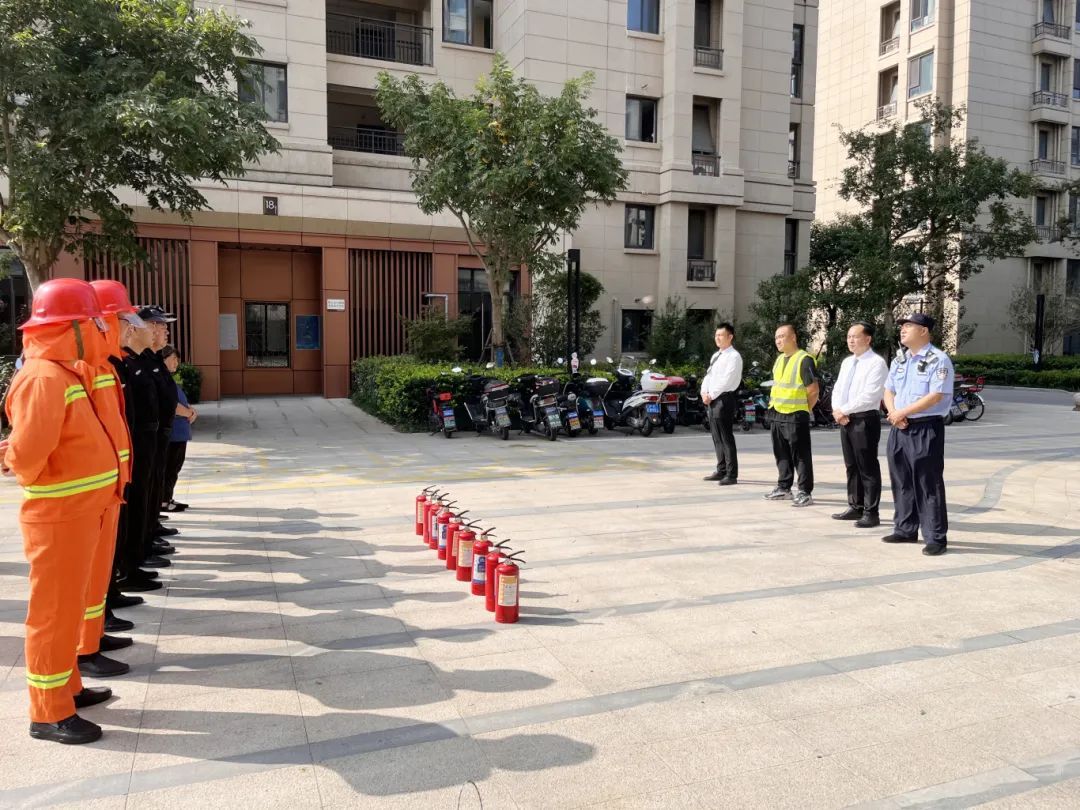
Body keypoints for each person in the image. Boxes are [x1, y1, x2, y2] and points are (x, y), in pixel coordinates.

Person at [1, 278, 125, 745]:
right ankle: (48, 712)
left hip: (78, 512)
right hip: (59, 517)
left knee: (68, 611)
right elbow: (28, 455)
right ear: (70, 327)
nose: (103, 330)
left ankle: (67, 688)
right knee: (53, 616)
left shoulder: (65, 373)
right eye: (95, 322)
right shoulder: (44, 378)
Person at [882, 313, 954, 556]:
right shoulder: (900, 359)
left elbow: (936, 395)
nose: (903, 329)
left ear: (924, 331)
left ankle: (935, 537)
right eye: (902, 326)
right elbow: (888, 390)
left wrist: (902, 412)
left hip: (925, 427)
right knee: (901, 479)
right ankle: (905, 528)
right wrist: (894, 413)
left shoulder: (938, 359)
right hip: (899, 426)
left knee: (927, 483)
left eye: (909, 326)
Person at [831, 322, 889, 528]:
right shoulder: (847, 362)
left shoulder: (877, 363)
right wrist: (837, 411)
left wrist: (844, 410)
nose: (850, 340)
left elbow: (871, 395)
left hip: (864, 419)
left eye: (855, 336)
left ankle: (871, 512)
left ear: (868, 339)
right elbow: (838, 389)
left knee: (867, 466)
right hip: (845, 419)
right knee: (851, 465)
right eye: (848, 336)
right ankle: (855, 506)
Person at [136, 306, 179, 559]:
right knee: (143, 490)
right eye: (159, 326)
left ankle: (151, 528)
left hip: (158, 434)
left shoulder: (152, 359)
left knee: (154, 484)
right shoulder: (135, 361)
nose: (164, 331)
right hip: (143, 437)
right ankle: (140, 545)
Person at [764, 324, 818, 507]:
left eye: (782, 336)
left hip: (795, 415)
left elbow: (813, 390)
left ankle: (804, 491)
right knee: (781, 454)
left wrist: (804, 409)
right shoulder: (780, 359)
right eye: (776, 337)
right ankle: (784, 487)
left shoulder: (804, 359)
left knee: (800, 455)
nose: (778, 340)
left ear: (793, 337)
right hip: (777, 412)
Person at [701, 323, 743, 486]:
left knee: (726, 437)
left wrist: (711, 395)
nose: (717, 338)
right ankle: (721, 470)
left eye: (721, 335)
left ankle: (731, 474)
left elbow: (727, 380)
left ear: (730, 337)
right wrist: (704, 392)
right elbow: (708, 376)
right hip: (712, 400)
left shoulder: (734, 357)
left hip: (724, 399)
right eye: (716, 335)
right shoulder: (716, 356)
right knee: (716, 437)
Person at [161, 345, 196, 512]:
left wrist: (191, 411)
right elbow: (172, 405)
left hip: (180, 434)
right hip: (173, 434)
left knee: (174, 468)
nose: (176, 362)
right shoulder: (162, 379)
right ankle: (164, 501)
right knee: (170, 468)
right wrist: (189, 412)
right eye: (173, 359)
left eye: (177, 359)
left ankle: (168, 498)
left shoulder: (169, 379)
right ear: (163, 359)